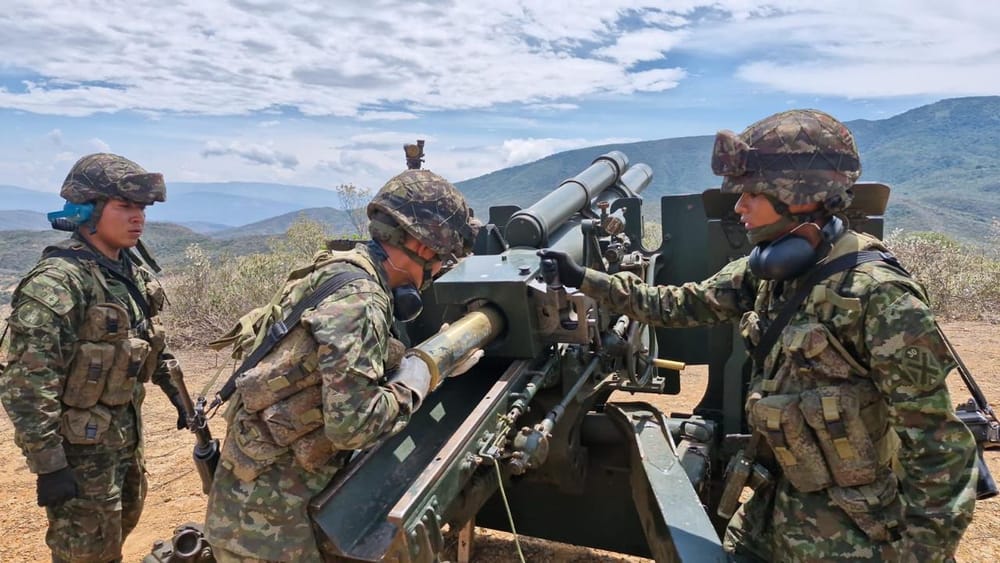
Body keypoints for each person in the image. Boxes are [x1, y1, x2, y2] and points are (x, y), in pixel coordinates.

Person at [539, 109, 978, 562]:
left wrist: (919, 553)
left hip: (852, 529)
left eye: (752, 193)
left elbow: (940, 449)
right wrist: (584, 277)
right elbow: (676, 304)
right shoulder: (768, 271)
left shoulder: (879, 297)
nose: (738, 206)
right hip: (774, 507)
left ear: (800, 195)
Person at [204, 168, 481, 562]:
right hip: (278, 526)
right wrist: (422, 375)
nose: (436, 273)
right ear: (422, 246)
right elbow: (353, 427)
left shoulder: (336, 268)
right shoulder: (360, 302)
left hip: (250, 497)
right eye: (441, 259)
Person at [0, 153, 187, 563]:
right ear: (87, 210)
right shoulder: (58, 282)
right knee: (86, 555)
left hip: (123, 440)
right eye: (125, 207)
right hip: (79, 456)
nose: (138, 218)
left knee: (119, 533)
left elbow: (150, 340)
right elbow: (26, 385)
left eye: (141, 209)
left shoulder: (126, 271)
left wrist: (179, 396)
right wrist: (50, 466)